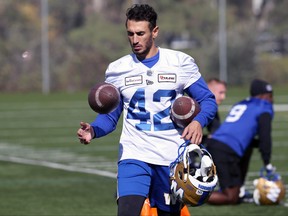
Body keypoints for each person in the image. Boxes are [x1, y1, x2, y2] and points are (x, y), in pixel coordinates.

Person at [77, 4, 217, 216]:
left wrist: (198, 122)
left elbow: (208, 99)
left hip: (171, 157)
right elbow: (110, 116)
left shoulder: (180, 63)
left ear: (155, 31)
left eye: (140, 33)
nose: (134, 40)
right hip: (134, 154)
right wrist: (94, 130)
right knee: (127, 212)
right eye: (130, 34)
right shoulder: (117, 69)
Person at [206, 79, 275, 205]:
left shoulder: (241, 104)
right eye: (269, 96)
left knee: (236, 194)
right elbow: (265, 138)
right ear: (262, 95)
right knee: (230, 197)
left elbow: (243, 137)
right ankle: (187, 195)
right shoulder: (264, 107)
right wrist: (267, 163)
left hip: (218, 145)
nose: (271, 99)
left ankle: (240, 188)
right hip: (226, 150)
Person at [202, 78, 227, 143]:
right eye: (221, 92)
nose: (223, 97)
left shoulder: (213, 108)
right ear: (210, 91)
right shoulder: (195, 107)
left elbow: (215, 132)